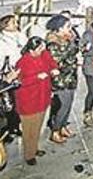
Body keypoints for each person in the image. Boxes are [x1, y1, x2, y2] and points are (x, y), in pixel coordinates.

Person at [14, 36, 58, 165]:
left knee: (38, 127)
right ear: (32, 49)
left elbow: (51, 62)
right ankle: (29, 155)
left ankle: (34, 148)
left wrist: (53, 68)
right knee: (29, 130)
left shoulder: (43, 54)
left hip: (42, 98)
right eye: (40, 48)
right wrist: (36, 77)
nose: (43, 50)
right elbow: (18, 82)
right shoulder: (22, 62)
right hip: (29, 102)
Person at [45, 14, 78, 144]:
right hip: (60, 80)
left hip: (70, 77)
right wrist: (71, 45)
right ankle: (55, 130)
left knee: (69, 104)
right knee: (62, 106)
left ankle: (63, 126)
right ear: (58, 29)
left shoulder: (67, 39)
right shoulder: (52, 43)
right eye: (67, 26)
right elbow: (56, 62)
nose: (70, 29)